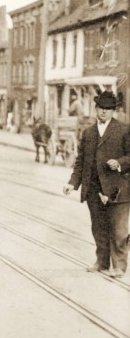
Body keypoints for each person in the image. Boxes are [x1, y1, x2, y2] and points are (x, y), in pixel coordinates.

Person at [63, 91, 130, 278]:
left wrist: (120, 163)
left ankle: (119, 266)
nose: (104, 112)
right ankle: (102, 262)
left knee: (119, 229)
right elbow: (81, 161)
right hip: (94, 189)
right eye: (101, 108)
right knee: (98, 228)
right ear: (96, 109)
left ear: (113, 110)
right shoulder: (88, 133)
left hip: (118, 188)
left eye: (108, 109)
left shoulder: (124, 130)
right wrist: (72, 183)